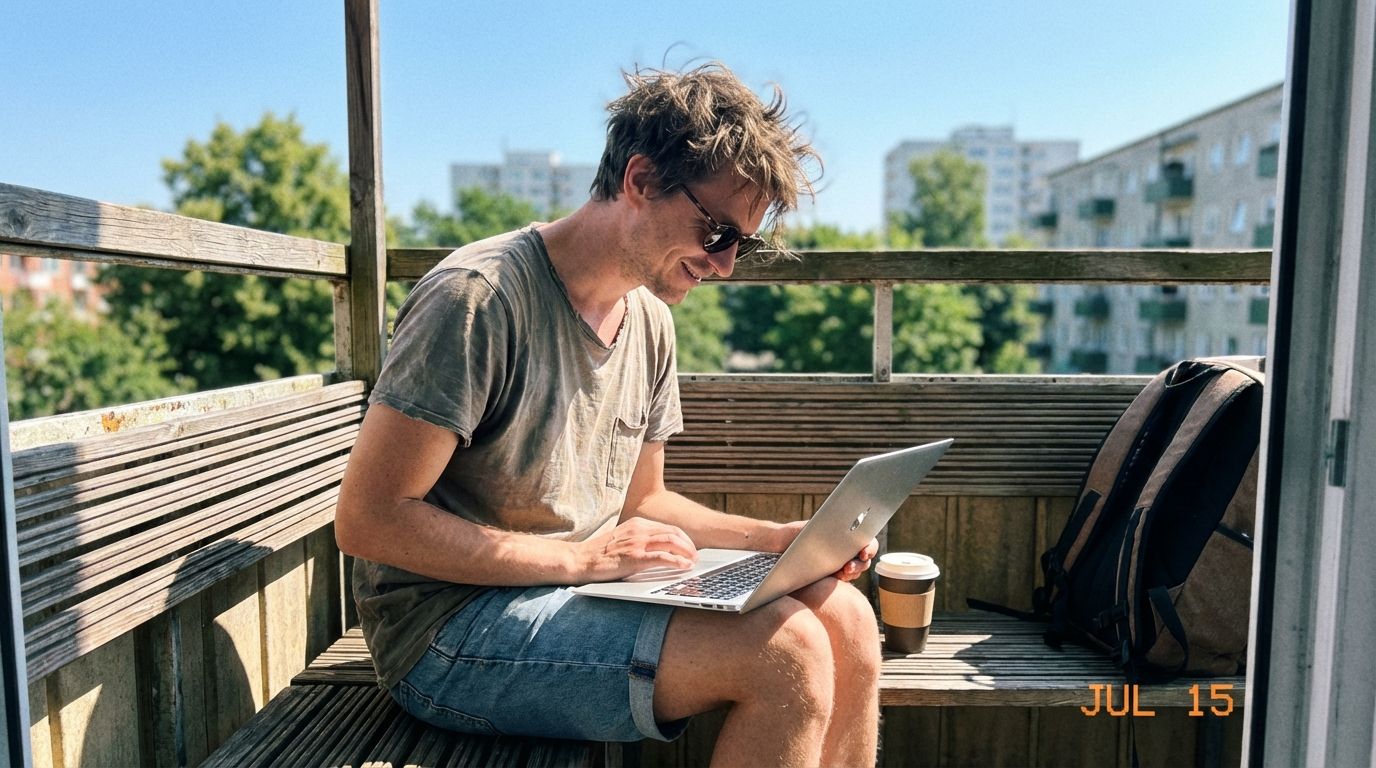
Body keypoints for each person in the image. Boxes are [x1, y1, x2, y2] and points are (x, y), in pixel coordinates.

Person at [335, 62, 881, 767]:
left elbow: (642, 501)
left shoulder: (650, 321)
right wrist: (579, 558)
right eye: (717, 233)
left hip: (579, 590)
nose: (726, 266)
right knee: (786, 652)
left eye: (743, 244)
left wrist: (775, 540)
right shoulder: (478, 300)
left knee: (846, 618)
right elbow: (370, 519)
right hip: (446, 628)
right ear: (640, 180)